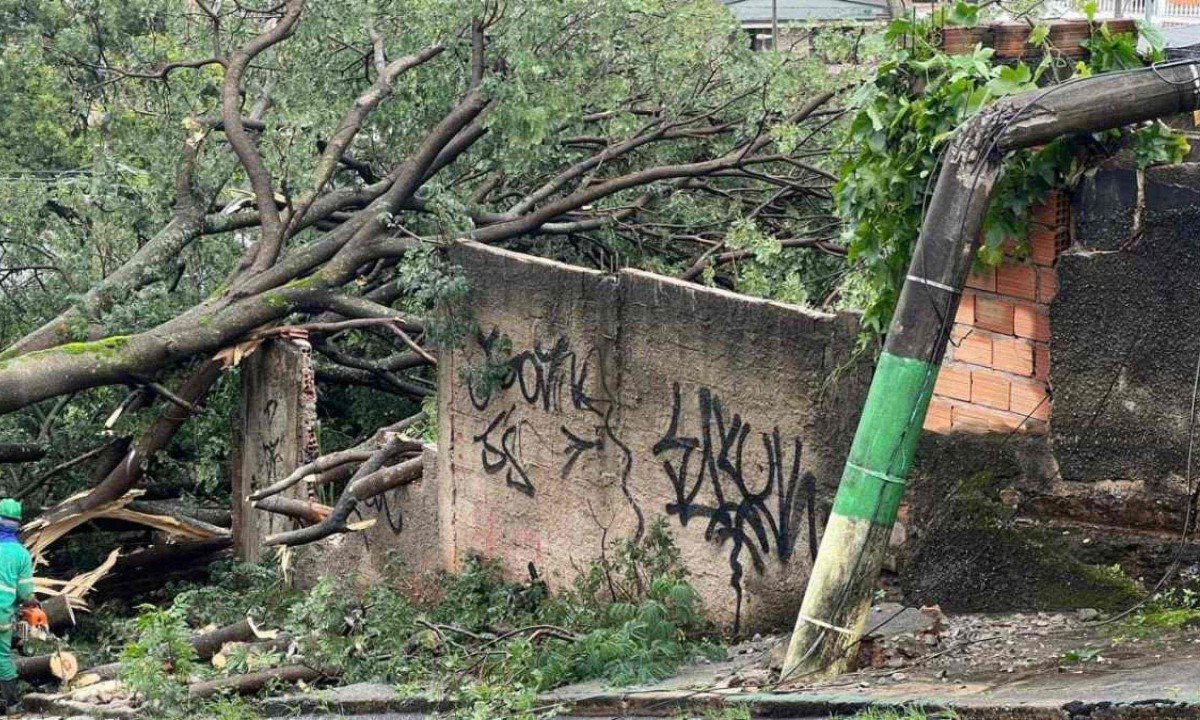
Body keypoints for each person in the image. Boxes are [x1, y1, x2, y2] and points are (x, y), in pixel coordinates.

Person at [0, 499, 33, 712]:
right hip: (2, 614)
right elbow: (25, 593)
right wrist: (33, 602)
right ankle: (13, 707)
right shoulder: (21, 554)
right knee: (2, 657)